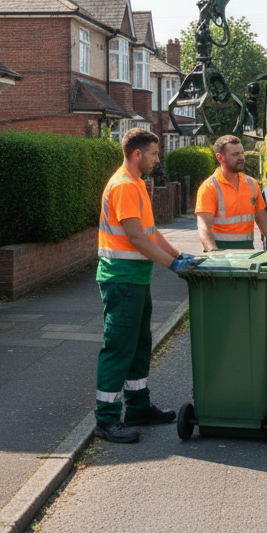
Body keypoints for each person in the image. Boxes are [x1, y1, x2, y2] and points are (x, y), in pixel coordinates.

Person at [94, 128, 203, 444]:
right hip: (121, 280)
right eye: (154, 153)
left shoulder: (138, 184)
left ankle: (139, 407)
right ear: (137, 154)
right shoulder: (125, 187)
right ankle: (106, 420)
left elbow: (151, 232)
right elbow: (136, 238)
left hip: (135, 280)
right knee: (118, 349)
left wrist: (178, 254)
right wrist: (172, 265)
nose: (158, 158)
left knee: (140, 347)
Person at [195, 135, 267, 254]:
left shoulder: (251, 184)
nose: (241, 158)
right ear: (220, 158)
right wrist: (214, 254)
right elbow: (204, 228)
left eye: (242, 153)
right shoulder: (209, 187)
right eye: (235, 154)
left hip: (247, 254)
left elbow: (262, 219)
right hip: (221, 255)